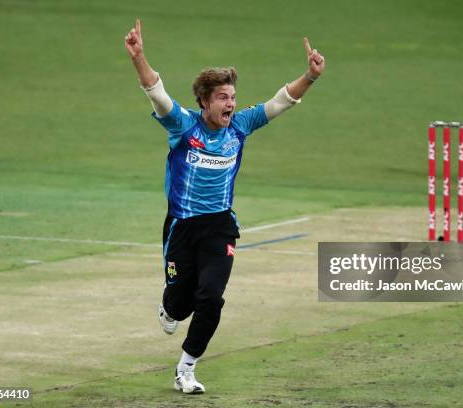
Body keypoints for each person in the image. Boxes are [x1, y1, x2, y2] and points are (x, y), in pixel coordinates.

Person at [124, 18, 325, 394]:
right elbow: (156, 92)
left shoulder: (240, 126)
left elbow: (282, 101)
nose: (230, 104)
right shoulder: (183, 126)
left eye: (232, 97)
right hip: (182, 227)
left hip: (220, 227)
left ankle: (186, 368)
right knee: (181, 305)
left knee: (211, 297)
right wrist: (139, 57)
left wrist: (310, 76)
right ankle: (169, 308)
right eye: (222, 97)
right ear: (204, 101)